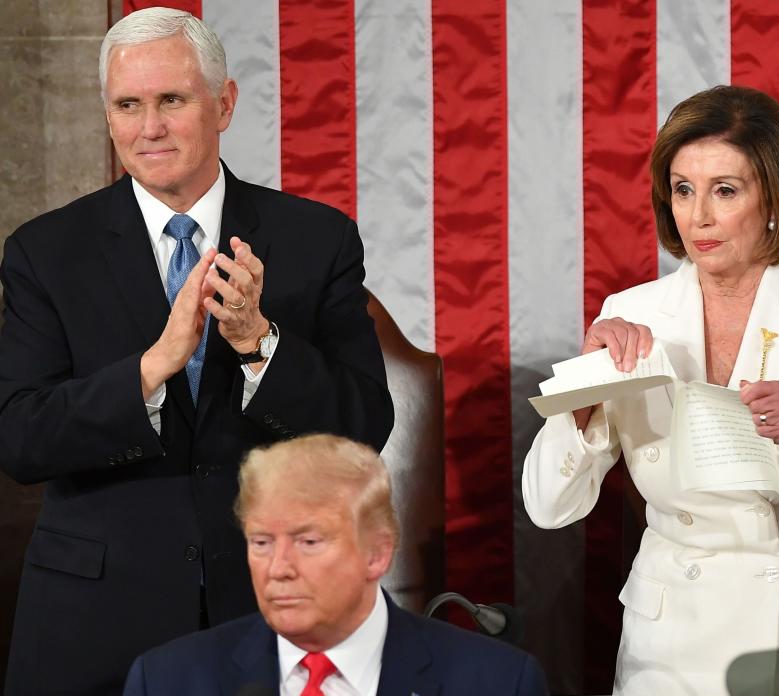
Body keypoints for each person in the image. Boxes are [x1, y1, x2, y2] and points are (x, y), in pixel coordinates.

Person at [0, 8, 392, 695]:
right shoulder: (43, 252)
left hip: (266, 609)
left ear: (224, 103)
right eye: (128, 105)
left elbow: (363, 427)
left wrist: (258, 343)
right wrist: (152, 370)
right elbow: (20, 438)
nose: (148, 128)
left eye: (171, 101)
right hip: (91, 623)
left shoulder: (316, 240)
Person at [522, 85, 779, 695]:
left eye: (725, 191)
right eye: (683, 189)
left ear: (775, 199)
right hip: (677, 634)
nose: (698, 216)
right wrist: (585, 396)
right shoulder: (630, 314)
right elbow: (549, 506)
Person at [121, 433, 549, 696]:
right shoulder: (167, 682)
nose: (279, 567)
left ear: (378, 553)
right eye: (262, 542)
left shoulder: (496, 683)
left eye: (308, 541)